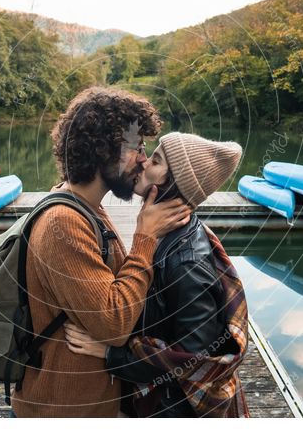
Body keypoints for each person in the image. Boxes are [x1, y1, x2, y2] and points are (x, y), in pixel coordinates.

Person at [10, 87, 193, 418]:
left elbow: (114, 294)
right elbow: (113, 324)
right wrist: (146, 236)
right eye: (136, 148)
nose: (142, 158)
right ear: (102, 149)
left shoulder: (86, 207)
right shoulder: (62, 223)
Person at [65, 132, 250, 417]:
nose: (143, 162)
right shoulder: (164, 235)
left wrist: (109, 353)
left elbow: (191, 365)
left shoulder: (186, 265)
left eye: (157, 160)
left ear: (174, 182)